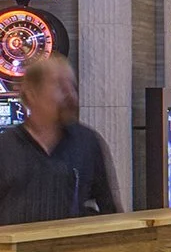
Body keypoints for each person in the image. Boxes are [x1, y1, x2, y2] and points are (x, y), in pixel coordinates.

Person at [0, 55, 120, 225]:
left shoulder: (87, 143)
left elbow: (110, 212)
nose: (70, 94)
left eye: (72, 86)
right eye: (60, 86)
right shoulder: (5, 148)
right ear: (32, 94)